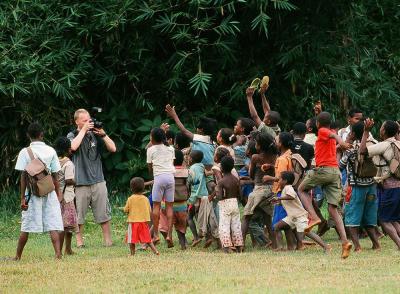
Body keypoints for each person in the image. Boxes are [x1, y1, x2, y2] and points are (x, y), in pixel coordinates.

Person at [298, 112, 353, 259]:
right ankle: (345, 242)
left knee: (301, 189)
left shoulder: (323, 131)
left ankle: (314, 217)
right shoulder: (330, 132)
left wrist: (340, 142)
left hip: (324, 170)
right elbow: (333, 137)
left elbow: (331, 135)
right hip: (335, 173)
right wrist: (341, 143)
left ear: (317, 125)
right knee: (333, 209)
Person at [14, 123, 64, 260]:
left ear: (28, 136)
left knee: (26, 225)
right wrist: (59, 193)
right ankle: (58, 254)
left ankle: (18, 256)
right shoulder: (51, 151)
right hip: (49, 190)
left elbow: (23, 176)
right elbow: (55, 174)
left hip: (32, 193)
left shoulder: (25, 152)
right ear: (42, 135)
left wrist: (22, 198)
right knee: (53, 223)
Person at [67, 108, 116, 247]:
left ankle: (108, 241)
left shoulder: (95, 134)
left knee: (104, 214)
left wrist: (104, 135)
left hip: (98, 180)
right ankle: (79, 242)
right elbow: (73, 147)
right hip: (81, 182)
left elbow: (113, 149)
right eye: (85, 121)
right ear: (77, 121)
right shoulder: (72, 134)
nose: (89, 122)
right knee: (80, 216)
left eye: (89, 120)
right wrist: (83, 131)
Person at [339, 121, 380, 252]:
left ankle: (357, 247)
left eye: (351, 132)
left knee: (351, 217)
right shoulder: (374, 144)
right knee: (369, 216)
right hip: (371, 186)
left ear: (354, 133)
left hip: (356, 187)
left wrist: (344, 145)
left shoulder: (352, 148)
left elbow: (340, 165)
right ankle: (376, 244)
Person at [360, 119, 400, 250]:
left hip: (389, 187)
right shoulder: (398, 143)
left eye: (382, 127)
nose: (380, 129)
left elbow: (363, 151)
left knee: (384, 220)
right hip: (397, 186)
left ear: (384, 131)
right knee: (393, 219)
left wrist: (366, 131)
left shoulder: (384, 145)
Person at [242, 132, 278, 246]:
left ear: (260, 145)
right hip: (271, 190)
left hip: (259, 190)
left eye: (256, 143)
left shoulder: (255, 157)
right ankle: (275, 245)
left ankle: (240, 244)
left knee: (247, 217)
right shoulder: (275, 157)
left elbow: (252, 175)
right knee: (268, 220)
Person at [146, 127, 175, 247]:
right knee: (169, 207)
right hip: (170, 178)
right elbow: (171, 164)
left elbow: (149, 167)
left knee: (156, 206)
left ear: (152, 138)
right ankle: (169, 235)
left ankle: (156, 235)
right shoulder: (171, 148)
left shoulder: (151, 150)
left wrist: (152, 172)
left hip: (159, 178)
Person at [165, 104, 217, 168]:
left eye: (197, 127)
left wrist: (174, 115)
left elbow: (183, 130)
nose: (196, 129)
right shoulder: (213, 142)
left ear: (201, 130)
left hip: (200, 168)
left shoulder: (200, 139)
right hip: (210, 170)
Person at [210, 156, 244, 253]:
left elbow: (220, 196)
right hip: (235, 203)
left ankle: (226, 247)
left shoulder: (221, 182)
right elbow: (240, 195)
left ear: (222, 168)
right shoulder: (236, 180)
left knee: (224, 225)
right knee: (236, 225)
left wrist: (216, 191)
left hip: (225, 204)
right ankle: (239, 246)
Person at [187, 150, 219, 247]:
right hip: (204, 195)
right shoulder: (202, 166)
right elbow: (206, 174)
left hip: (195, 197)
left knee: (189, 217)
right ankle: (209, 237)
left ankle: (198, 237)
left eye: (188, 157)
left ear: (191, 159)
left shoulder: (191, 169)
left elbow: (190, 182)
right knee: (206, 216)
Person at [159, 150, 189, 250]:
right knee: (181, 226)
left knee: (163, 223)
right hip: (182, 205)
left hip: (167, 204)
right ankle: (183, 244)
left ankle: (167, 235)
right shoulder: (187, 171)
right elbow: (193, 182)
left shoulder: (167, 172)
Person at [54, 137, 79, 256]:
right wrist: (76, 182)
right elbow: (69, 180)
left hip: (56, 196)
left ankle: (68, 249)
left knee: (67, 225)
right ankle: (61, 250)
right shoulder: (68, 163)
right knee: (66, 226)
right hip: (67, 197)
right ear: (68, 149)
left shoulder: (54, 161)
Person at [124, 177, 159, 256]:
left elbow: (126, 210)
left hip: (133, 222)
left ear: (131, 188)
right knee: (147, 239)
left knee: (131, 240)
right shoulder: (145, 199)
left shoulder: (130, 199)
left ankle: (132, 254)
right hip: (143, 222)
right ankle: (155, 251)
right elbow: (150, 210)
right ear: (143, 188)